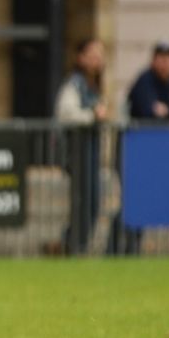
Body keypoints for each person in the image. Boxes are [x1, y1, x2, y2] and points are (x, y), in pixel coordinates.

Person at [55, 37, 108, 255]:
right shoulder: (74, 83)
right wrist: (92, 115)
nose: (98, 60)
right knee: (83, 201)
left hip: (90, 150)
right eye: (93, 55)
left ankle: (74, 244)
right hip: (77, 151)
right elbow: (66, 113)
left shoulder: (93, 84)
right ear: (81, 58)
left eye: (100, 55)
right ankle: (73, 245)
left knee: (92, 201)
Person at [126, 40, 169, 122]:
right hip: (144, 132)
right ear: (153, 61)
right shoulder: (145, 80)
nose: (165, 63)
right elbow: (148, 111)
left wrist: (167, 111)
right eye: (162, 58)